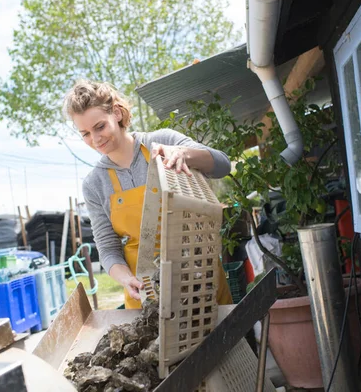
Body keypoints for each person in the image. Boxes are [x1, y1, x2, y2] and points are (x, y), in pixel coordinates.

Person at [63, 80, 233, 309]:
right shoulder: (94, 184)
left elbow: (223, 165)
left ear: (117, 113)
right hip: (148, 293)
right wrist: (125, 279)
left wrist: (183, 153)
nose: (95, 139)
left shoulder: (163, 141)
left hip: (201, 278)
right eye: (85, 134)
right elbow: (107, 246)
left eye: (100, 127)